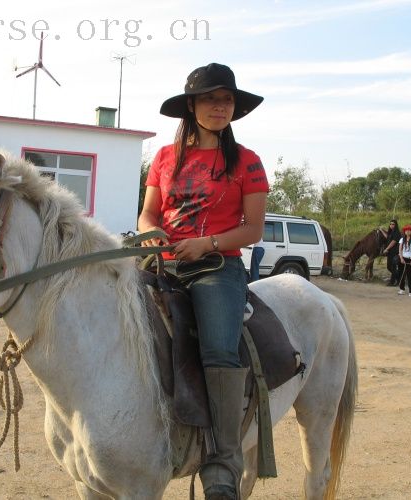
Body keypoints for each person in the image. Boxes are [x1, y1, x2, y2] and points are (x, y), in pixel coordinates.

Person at [138, 62, 268, 499]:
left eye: (226, 99)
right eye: (210, 98)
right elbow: (150, 214)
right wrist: (149, 234)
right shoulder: (163, 158)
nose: (219, 106)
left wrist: (207, 243)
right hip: (164, 262)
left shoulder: (247, 162)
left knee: (217, 347)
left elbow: (253, 230)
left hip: (217, 268)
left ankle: (224, 462)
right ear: (191, 106)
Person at [397, 224, 411, 298]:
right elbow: (400, 250)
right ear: (404, 231)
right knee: (401, 274)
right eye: (406, 230)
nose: (407, 232)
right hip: (403, 258)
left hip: (410, 259)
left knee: (409, 276)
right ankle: (402, 289)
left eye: (409, 230)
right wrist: (401, 258)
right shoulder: (402, 239)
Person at [382, 219, 401, 286]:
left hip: (395, 252)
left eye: (393, 224)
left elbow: (393, 242)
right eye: (390, 224)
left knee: (393, 267)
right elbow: (387, 237)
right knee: (389, 267)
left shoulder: (397, 233)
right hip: (390, 252)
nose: (391, 225)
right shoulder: (391, 232)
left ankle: (392, 282)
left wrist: (386, 249)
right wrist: (382, 230)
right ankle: (399, 278)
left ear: (395, 225)